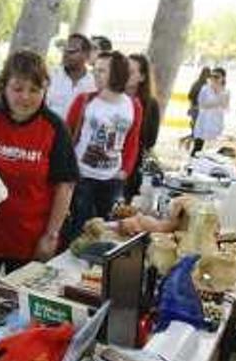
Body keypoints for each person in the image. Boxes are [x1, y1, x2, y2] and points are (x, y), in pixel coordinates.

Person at [0, 49, 79, 291]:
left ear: (45, 89)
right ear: (3, 87)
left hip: (30, 240)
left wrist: (51, 236)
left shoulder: (54, 127)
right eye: (17, 88)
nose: (25, 97)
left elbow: (65, 185)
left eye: (34, 90)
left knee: (19, 311)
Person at [65, 51, 142, 240]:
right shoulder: (85, 100)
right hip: (82, 176)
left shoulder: (133, 105)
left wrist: (124, 171)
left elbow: (132, 141)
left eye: (102, 71)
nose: (95, 75)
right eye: (95, 70)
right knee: (78, 228)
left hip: (113, 179)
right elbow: (66, 136)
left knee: (109, 231)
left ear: (117, 73)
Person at [124, 54, 161, 199]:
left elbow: (150, 140)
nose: (125, 75)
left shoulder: (150, 104)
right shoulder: (112, 98)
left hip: (133, 165)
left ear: (142, 77)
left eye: (131, 72)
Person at [46, 33, 96, 121]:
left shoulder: (93, 84)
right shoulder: (51, 76)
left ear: (86, 55)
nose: (66, 54)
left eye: (72, 51)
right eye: (65, 50)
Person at [192, 67, 229, 156]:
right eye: (212, 76)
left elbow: (225, 107)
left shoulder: (226, 91)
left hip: (217, 121)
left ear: (222, 78)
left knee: (212, 150)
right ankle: (192, 166)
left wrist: (217, 102)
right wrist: (217, 102)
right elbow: (202, 104)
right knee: (198, 147)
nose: (214, 78)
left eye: (217, 76)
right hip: (204, 121)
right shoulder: (205, 89)